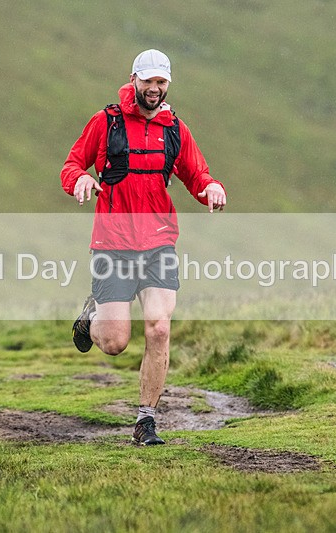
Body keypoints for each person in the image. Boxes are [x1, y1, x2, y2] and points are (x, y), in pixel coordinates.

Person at [60, 49, 227, 445]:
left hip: (158, 244)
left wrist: (212, 188)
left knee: (159, 327)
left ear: (168, 85)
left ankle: (146, 420)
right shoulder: (106, 122)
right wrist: (79, 181)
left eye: (161, 82)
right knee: (116, 342)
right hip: (113, 245)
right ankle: (92, 314)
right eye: (148, 81)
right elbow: (72, 164)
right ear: (134, 78)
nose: (154, 88)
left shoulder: (175, 130)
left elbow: (196, 174)